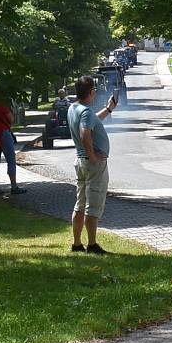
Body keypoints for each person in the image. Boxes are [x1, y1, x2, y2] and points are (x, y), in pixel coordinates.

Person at [68, 75, 118, 254]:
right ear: (90, 92)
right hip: (92, 164)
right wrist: (93, 156)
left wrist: (109, 109)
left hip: (80, 162)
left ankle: (76, 244)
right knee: (93, 205)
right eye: (94, 90)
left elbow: (92, 121)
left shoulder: (74, 108)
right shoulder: (86, 112)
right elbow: (85, 133)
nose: (95, 93)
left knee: (80, 204)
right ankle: (92, 245)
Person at [0, 99, 27, 196]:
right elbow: (11, 119)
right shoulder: (1, 103)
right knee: (11, 160)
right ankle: (14, 187)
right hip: (3, 132)